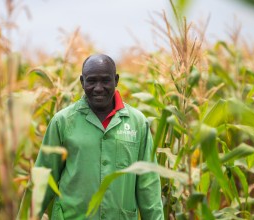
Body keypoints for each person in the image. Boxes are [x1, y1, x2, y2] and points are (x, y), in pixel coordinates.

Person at [35, 54, 164, 219]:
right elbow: (42, 180)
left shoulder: (137, 123)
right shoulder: (63, 122)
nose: (98, 88)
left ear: (116, 80)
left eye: (105, 80)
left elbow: (148, 185)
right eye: (91, 81)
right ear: (82, 82)